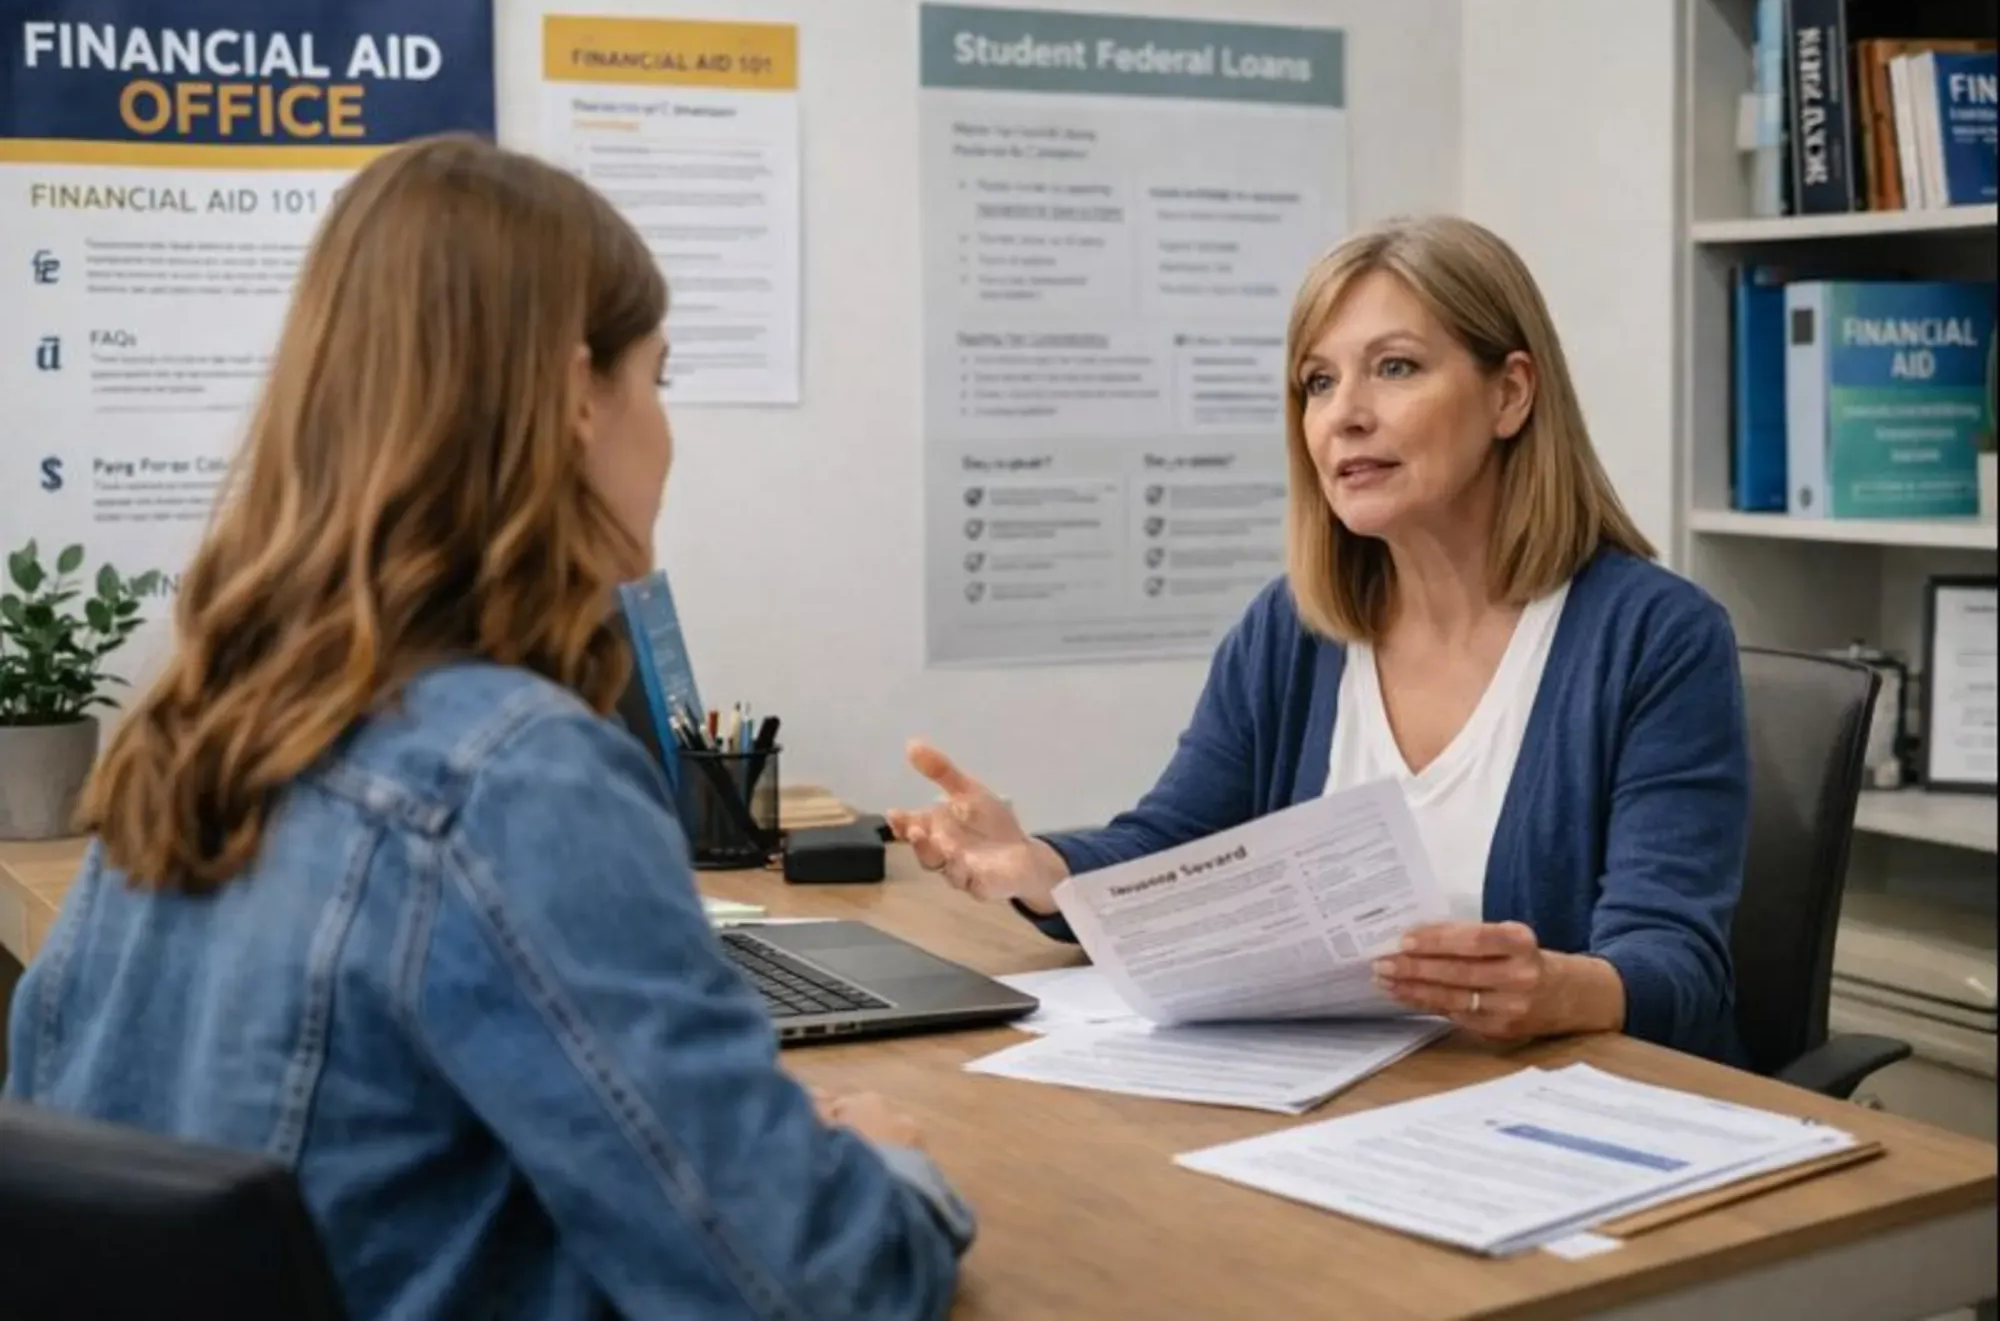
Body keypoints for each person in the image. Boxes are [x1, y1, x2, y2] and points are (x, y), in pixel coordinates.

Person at [4, 136, 969, 1320]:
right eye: (657, 379)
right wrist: (885, 1163)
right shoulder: (514, 780)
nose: (666, 432)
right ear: (574, 398)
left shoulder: (195, 732)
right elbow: (815, 1286)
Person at [888, 214, 1751, 1067]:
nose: (1346, 415)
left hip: (1549, 1119)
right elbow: (1176, 846)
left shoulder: (1655, 637)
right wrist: (1036, 863)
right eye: (1318, 382)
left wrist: (1556, 988)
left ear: (1510, 393)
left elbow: (1677, 966)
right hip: (1337, 1102)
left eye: (1395, 368)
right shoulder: (1293, 629)